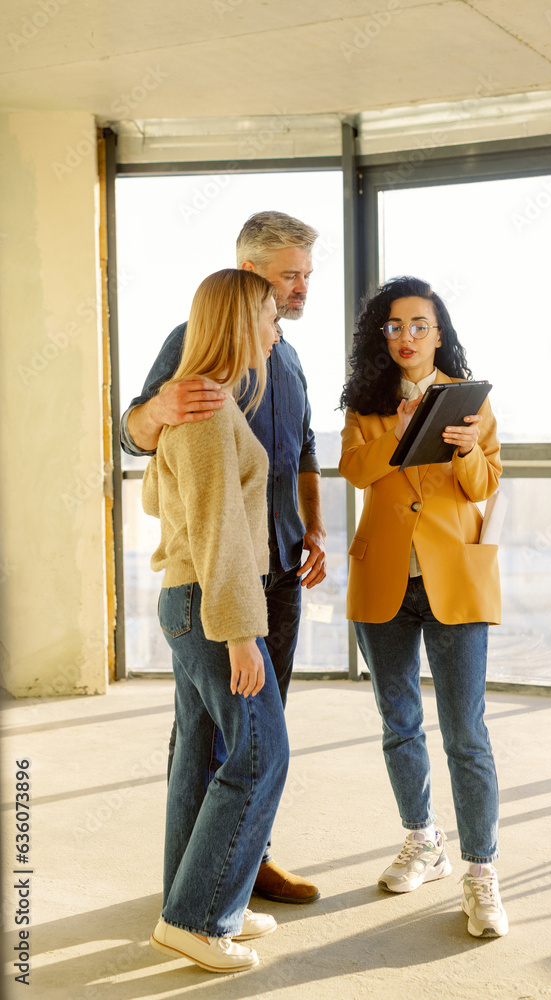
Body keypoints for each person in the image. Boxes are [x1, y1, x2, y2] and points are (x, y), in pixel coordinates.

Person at [121, 211, 325, 904]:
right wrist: (157, 411)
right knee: (223, 738)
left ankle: (239, 862)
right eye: (288, 276)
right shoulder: (197, 342)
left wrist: (313, 530)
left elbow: (302, 453)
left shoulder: (286, 356)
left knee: (255, 724)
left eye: (306, 275)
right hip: (217, 571)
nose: (301, 288)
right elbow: (136, 432)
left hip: (280, 566)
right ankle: (198, 890)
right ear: (249, 274)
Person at [339, 275, 508, 938]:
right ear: (380, 337)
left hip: (453, 581)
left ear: (439, 334)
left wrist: (465, 451)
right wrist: (401, 432)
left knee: (466, 733)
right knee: (399, 723)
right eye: (394, 326)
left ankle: (481, 872)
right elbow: (355, 470)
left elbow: (483, 486)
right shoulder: (365, 403)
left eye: (418, 325)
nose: (406, 336)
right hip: (381, 578)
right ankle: (422, 840)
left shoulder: (470, 401)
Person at [143, 268, 288, 972]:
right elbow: (219, 527)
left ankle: (194, 899)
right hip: (210, 605)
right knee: (260, 754)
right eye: (269, 315)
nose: (277, 331)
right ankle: (197, 919)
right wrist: (239, 633)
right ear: (238, 322)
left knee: (200, 753)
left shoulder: (203, 400)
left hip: (189, 598)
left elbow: (157, 498)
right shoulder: (203, 407)